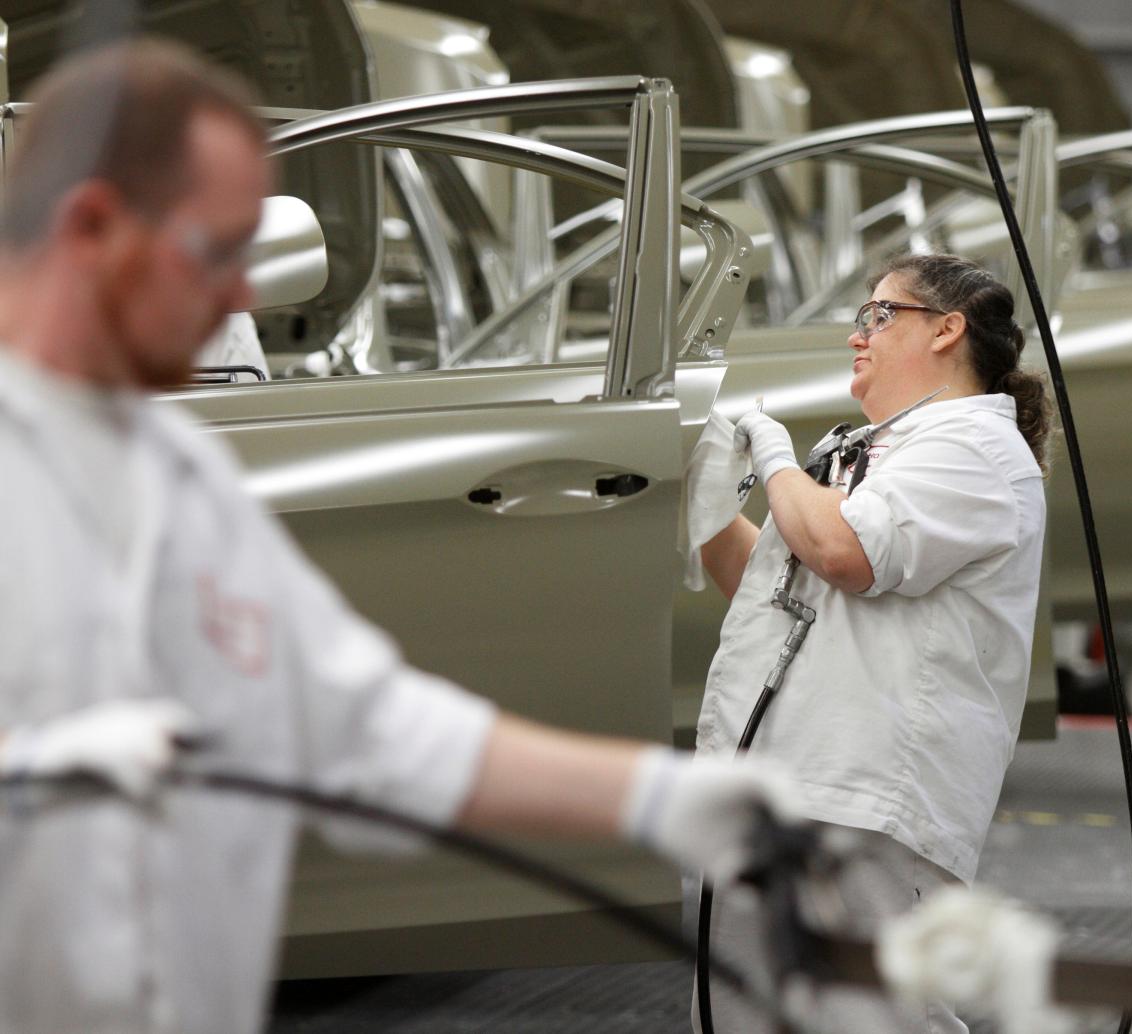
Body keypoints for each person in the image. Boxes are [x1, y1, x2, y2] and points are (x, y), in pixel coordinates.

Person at [0, 39, 796, 1034]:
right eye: (216, 250)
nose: (243, 299)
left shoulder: (178, 473)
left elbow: (363, 722)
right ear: (91, 227)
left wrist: (658, 796)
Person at [694, 253, 1050, 1034]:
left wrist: (778, 461)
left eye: (880, 316)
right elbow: (777, 592)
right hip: (795, 783)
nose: (858, 336)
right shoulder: (878, 448)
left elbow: (844, 555)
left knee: (877, 1017)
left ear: (946, 330)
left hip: (870, 797)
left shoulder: (974, 452)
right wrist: (711, 499)